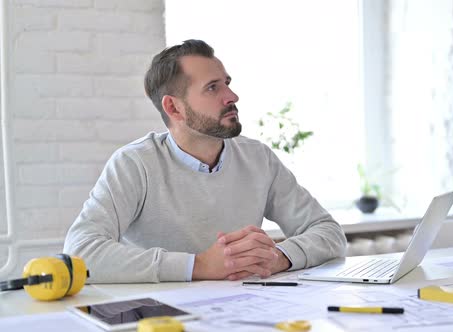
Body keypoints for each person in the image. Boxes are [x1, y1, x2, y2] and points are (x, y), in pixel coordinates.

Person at [63, 39, 347, 283]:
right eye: (212, 88)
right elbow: (80, 253)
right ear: (174, 107)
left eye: (227, 83)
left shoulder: (258, 158)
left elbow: (329, 232)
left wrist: (279, 257)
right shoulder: (134, 164)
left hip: (242, 312)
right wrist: (198, 266)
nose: (232, 96)